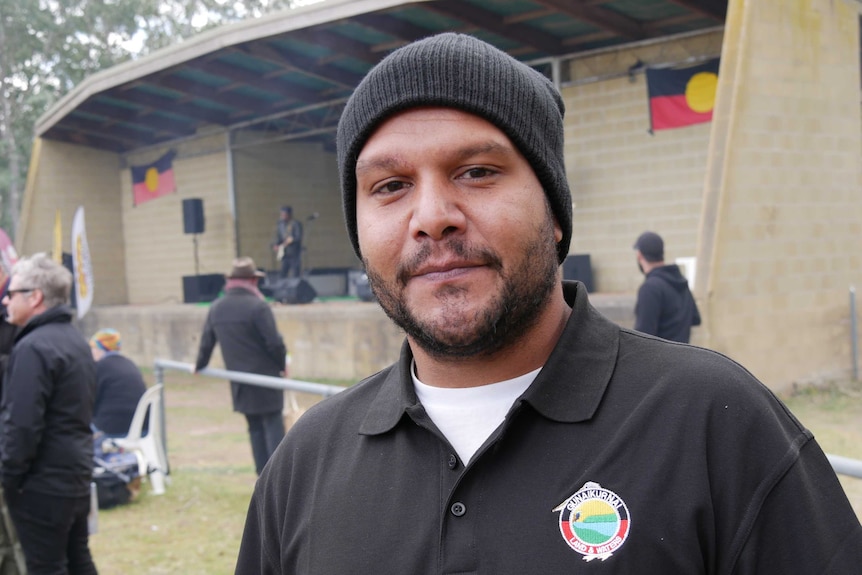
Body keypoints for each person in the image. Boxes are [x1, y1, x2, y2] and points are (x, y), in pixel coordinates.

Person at [235, 33, 862, 573]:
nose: (431, 218)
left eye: (477, 171)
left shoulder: (714, 422)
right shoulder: (305, 463)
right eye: (390, 186)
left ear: (556, 215)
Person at [0, 253, 98, 574]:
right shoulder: (74, 339)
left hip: (42, 481)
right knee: (78, 558)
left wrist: (10, 477)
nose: (5, 302)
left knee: (47, 566)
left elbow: (22, 424)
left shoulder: (33, 347)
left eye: (11, 294)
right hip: (75, 471)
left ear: (35, 297)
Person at [194, 256, 288, 475]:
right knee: (273, 426)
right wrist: (282, 365)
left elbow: (207, 341)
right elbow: (274, 343)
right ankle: (278, 478)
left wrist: (199, 365)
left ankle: (262, 475)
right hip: (265, 379)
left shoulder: (217, 308)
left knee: (254, 427)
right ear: (253, 280)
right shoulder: (258, 306)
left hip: (240, 381)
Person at [633, 230, 701, 343]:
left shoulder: (650, 288)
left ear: (639, 255)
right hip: (683, 356)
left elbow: (643, 337)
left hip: (660, 359)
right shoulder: (680, 281)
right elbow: (695, 319)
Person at [89, 328, 147, 437]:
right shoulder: (130, 364)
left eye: (92, 348)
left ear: (99, 349)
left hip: (112, 429)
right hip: (142, 428)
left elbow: (90, 401)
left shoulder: (99, 367)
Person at [271, 205, 303, 278]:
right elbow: (279, 237)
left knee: (295, 273)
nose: (283, 216)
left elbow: (298, 237)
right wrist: (276, 245)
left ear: (289, 215)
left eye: (285, 214)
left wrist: (290, 240)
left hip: (294, 252)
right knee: (283, 273)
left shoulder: (296, 224)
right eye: (282, 214)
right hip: (284, 253)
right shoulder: (280, 224)